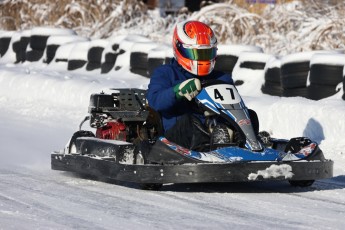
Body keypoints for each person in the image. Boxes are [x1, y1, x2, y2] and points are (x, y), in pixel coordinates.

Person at [146, 20, 234, 150]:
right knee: (191, 122)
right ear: (179, 48)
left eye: (207, 53)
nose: (202, 59)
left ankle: (252, 147)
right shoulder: (166, 73)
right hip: (175, 140)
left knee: (250, 115)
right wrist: (178, 91)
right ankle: (208, 152)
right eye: (196, 53)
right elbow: (154, 100)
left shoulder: (222, 78)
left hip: (217, 133)